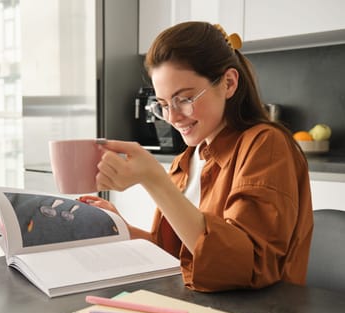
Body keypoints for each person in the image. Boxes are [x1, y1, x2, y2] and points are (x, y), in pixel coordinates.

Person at [79, 22, 313, 292]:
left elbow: (246, 267)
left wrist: (153, 179)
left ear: (228, 83)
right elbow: (180, 254)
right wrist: (120, 228)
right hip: (196, 310)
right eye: (164, 104)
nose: (172, 117)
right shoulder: (187, 159)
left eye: (185, 99)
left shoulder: (265, 145)